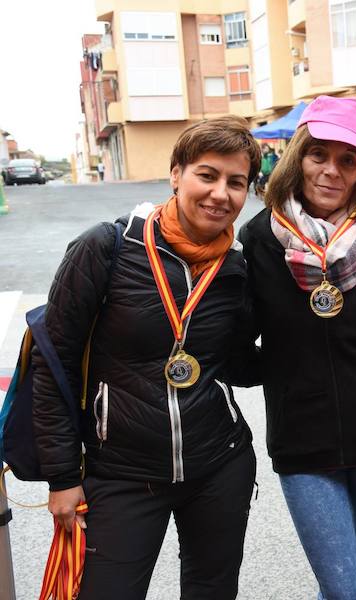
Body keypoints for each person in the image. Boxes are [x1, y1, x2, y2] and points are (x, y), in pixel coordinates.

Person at [32, 115, 262, 599]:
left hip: (219, 466)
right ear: (176, 174)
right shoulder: (107, 247)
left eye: (236, 182)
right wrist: (61, 478)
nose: (221, 193)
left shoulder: (236, 267)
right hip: (120, 473)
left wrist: (310, 338)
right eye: (208, 174)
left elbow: (236, 366)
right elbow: (54, 366)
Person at [238, 95, 356, 600]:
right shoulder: (258, 239)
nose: (331, 171)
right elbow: (235, 335)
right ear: (299, 158)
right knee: (344, 589)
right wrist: (276, 372)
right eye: (319, 154)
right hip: (304, 442)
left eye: (348, 160)